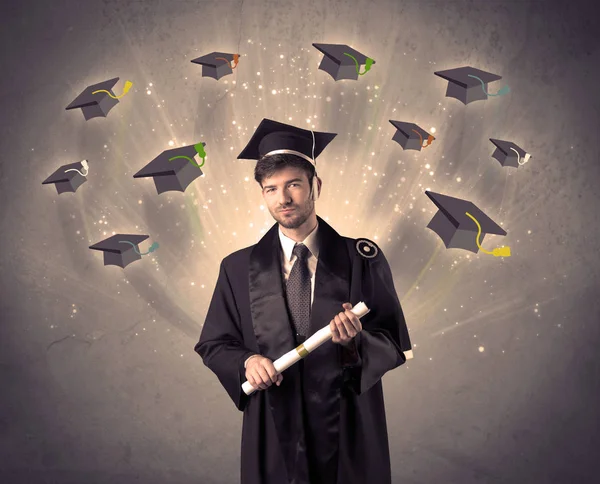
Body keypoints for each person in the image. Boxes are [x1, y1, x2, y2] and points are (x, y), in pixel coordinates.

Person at [194, 119, 413, 484]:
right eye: (271, 189)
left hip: (346, 424)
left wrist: (354, 343)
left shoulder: (362, 258)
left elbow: (394, 344)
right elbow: (214, 344)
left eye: (294, 184)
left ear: (316, 186)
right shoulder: (236, 267)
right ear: (263, 194)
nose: (283, 199)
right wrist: (247, 361)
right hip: (274, 427)